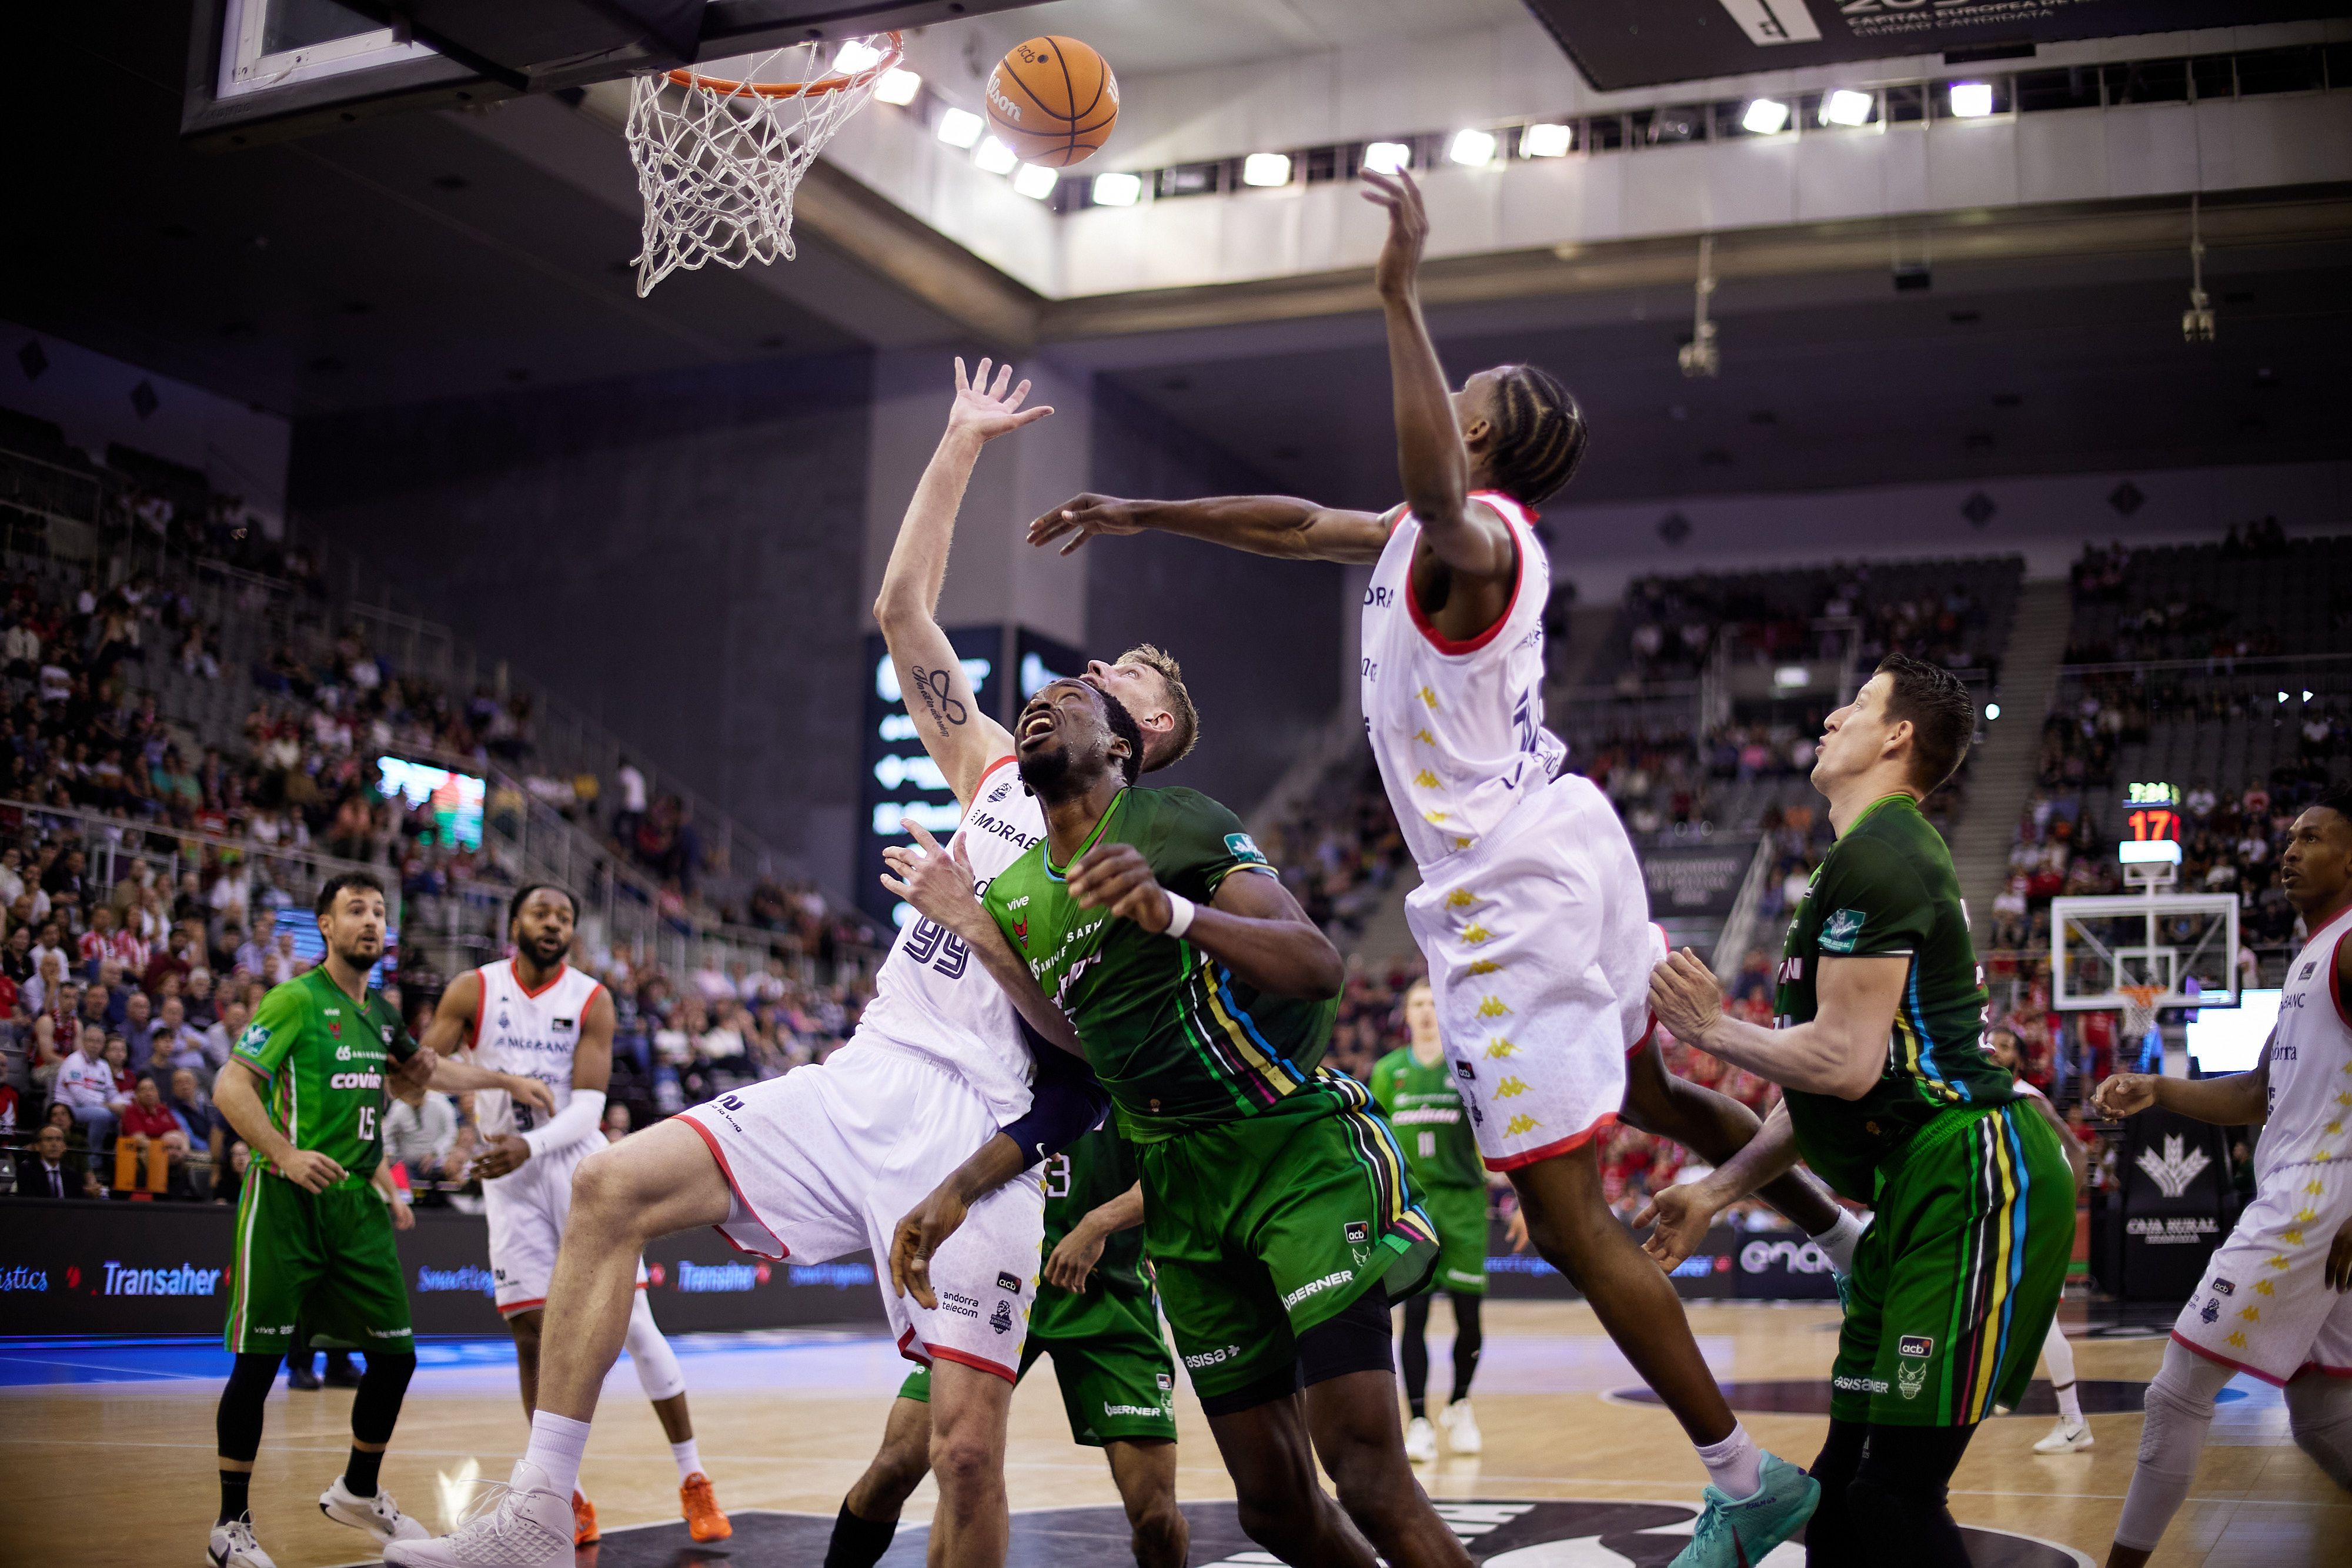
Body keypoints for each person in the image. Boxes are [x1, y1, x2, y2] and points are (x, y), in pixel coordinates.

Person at [1025, 167, 1832, 1566]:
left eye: (1467, 391)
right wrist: (1148, 511)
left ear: (1477, 433)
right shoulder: (1423, 535)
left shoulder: (1482, 540)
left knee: (1566, 1222)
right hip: (1561, 829)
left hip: (1511, 890)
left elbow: (1427, 495)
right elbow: (1297, 524)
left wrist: (1399, 295)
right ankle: (1843, 1236)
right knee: (1648, 1088)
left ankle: (1743, 1476)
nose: (1449, 390)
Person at [387, 360, 1197, 1568]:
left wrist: (976, 920)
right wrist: (960, 443)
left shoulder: (1145, 863)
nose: (1090, 674)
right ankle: (539, 1513)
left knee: (963, 1457)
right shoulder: (990, 769)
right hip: (864, 1076)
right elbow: (903, 612)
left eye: (1120, 678)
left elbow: (1095, 1066)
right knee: (607, 1187)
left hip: (983, 1135)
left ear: (1152, 734)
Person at [887, 669, 1469, 1568]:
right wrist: (974, 927)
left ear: (1120, 747)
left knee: (1364, 1470)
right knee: (1275, 1508)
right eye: (1036, 699)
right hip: (1178, 1195)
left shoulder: (1175, 820)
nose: (1043, 702)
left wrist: (1176, 914)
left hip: (1284, 1147)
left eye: (1072, 699)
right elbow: (1076, 1059)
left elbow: (1317, 964)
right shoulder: (1015, 895)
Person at [1643, 657, 2074, 1568]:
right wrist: (1714, 1192)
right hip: (1917, 1180)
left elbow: (1843, 1062)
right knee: (1839, 1500)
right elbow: (1828, 1084)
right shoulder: (1862, 855)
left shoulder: (1884, 853)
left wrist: (1711, 1028)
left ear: (1897, 736)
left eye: (1860, 703)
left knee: (1892, 1496)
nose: (1832, 715)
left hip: (1972, 1178)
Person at [205, 871, 555, 1568]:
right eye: (355, 910)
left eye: (378, 912)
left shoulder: (382, 1014)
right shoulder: (294, 999)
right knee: (258, 1363)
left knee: (396, 1357)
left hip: (356, 1206)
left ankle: (358, 1489)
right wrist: (284, 1153)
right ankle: (229, 1526)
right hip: (285, 1201)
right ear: (326, 926)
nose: (370, 921)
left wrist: (504, 1080)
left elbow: (426, 1073)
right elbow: (230, 1085)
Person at [413, 884, 730, 1548]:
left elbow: (588, 1107)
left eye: (564, 916)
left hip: (579, 1170)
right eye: (541, 913)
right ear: (515, 923)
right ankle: (564, 1495)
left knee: (636, 1327)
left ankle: (694, 1477)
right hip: (509, 1174)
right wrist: (482, 1084)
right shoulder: (474, 990)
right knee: (531, 1336)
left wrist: (528, 1143)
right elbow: (427, 1071)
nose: (553, 923)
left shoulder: (590, 997)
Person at [2090, 783, 2352, 1568]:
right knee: (2323, 1410)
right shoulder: (2312, 955)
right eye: (2289, 838)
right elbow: (2253, 1093)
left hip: (2318, 1196)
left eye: (2312, 838)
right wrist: (2158, 1088)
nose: (2290, 850)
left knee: (2177, 1389)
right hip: (2312, 1193)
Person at [824, 1124, 1187, 1568]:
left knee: (1156, 1518)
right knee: (897, 1467)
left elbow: (1178, 1169)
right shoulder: (994, 1085)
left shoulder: (1131, 1083)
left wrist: (1099, 1221)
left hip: (1109, 1297)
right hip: (994, 1289)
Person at [1371, 978, 1492, 1463]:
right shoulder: (1387, 1071)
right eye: (1418, 1003)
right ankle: (1418, 1419)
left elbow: (1492, 1133)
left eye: (1432, 1003)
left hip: (1463, 1204)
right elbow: (1374, 1140)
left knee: (1469, 1317)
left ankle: (1460, 1404)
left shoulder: (1466, 1068)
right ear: (1406, 1013)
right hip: (1411, 1207)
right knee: (1414, 1315)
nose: (1425, 1011)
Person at [1984, 1024, 2094, 1453]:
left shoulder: (2027, 1099)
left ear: (2020, 1060)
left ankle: (2073, 1419)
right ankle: (2003, 1392)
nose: (1996, 1049)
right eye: (1992, 1042)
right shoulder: (1986, 1098)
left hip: (2035, 1224)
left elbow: (2078, 1152)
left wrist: (2063, 1215)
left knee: (2044, 1321)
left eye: (2006, 1045)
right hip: (2008, 1221)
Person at [14, 1120, 95, 1199]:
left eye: (59, 1139)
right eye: (49, 1139)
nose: (54, 1144)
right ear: (37, 1146)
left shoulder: (72, 1175)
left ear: (64, 1147)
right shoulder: (27, 1171)